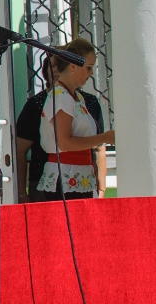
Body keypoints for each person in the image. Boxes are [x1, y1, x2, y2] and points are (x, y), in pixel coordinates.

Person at [16, 57, 107, 202]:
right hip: (45, 183)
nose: (57, 70)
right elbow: (20, 150)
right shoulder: (36, 104)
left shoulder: (89, 101)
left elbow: (99, 148)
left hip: (85, 178)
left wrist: (101, 187)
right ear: (45, 71)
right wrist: (21, 193)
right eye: (53, 66)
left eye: (61, 65)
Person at [35, 37, 115, 200]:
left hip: (79, 176)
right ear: (73, 66)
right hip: (65, 177)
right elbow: (64, 143)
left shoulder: (76, 96)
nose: (91, 74)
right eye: (88, 68)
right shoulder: (61, 96)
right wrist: (104, 138)